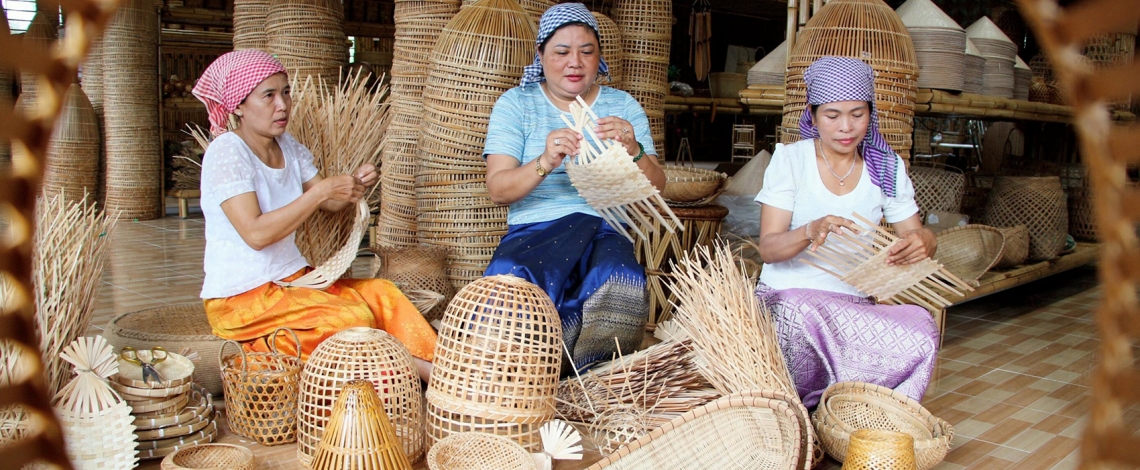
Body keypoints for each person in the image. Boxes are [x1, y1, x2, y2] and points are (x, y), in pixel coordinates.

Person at [193, 50, 436, 379]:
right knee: (351, 319)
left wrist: (353, 186)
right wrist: (320, 192)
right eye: (269, 95)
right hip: (242, 299)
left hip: (292, 281)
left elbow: (329, 203)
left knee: (383, 294)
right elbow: (256, 234)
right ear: (238, 105)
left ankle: (440, 372)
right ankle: (428, 379)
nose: (282, 105)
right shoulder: (228, 152)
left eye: (286, 92)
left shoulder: (288, 147)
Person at [482, 3, 665, 372]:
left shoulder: (622, 105)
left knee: (619, 276)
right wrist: (545, 162)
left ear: (599, 57)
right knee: (512, 276)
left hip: (604, 226)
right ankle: (528, 370)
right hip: (536, 227)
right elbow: (498, 190)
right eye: (562, 52)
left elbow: (658, 187)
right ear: (541, 55)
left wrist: (634, 150)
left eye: (586, 51)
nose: (575, 62)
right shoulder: (517, 104)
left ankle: (594, 373)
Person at [754, 56, 939, 408]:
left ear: (871, 113)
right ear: (812, 115)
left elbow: (919, 236)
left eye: (857, 113)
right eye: (832, 115)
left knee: (921, 329)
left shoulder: (886, 165)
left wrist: (923, 242)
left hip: (852, 307)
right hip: (789, 303)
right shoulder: (791, 160)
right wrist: (810, 229)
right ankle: (812, 405)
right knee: (798, 311)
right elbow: (769, 249)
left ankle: (864, 412)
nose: (846, 127)